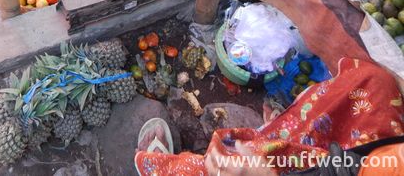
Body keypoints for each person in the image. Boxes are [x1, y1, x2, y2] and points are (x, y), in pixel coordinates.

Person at [135, 58, 404, 175]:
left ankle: (167, 168)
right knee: (374, 83)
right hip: (360, 163)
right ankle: (288, 128)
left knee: (233, 161)